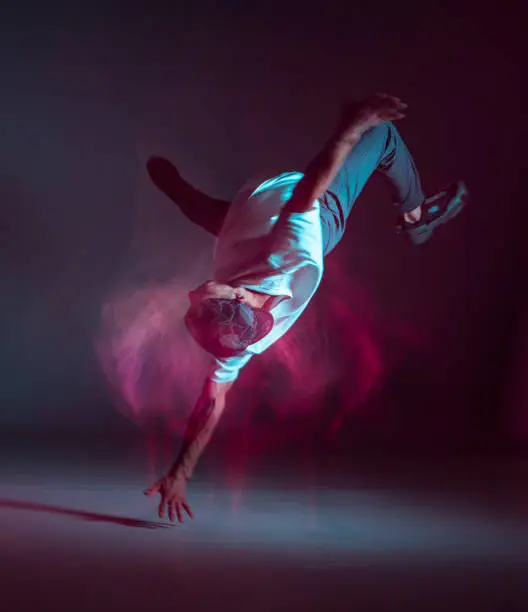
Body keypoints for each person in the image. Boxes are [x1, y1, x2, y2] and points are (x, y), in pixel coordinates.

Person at [144, 93, 468, 522]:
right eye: (203, 297)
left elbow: (211, 401)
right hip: (317, 213)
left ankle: (185, 195)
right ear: (238, 295)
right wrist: (352, 128)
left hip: (243, 223)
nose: (192, 294)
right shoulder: (289, 253)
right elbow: (309, 188)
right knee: (384, 135)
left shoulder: (236, 335)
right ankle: (416, 219)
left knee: (197, 208)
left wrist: (180, 472)